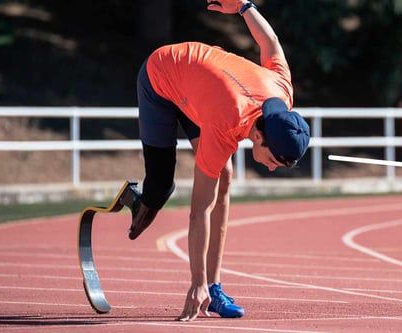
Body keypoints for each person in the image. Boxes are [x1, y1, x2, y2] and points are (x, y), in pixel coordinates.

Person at [122, 0, 310, 322]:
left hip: (201, 87)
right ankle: (140, 200)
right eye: (274, 162)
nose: (270, 168)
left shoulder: (282, 91)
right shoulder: (227, 122)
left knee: (225, 175)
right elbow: (199, 211)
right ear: (260, 137)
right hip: (161, 76)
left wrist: (245, 7)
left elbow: (270, 43)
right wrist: (194, 284)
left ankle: (216, 285)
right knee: (161, 186)